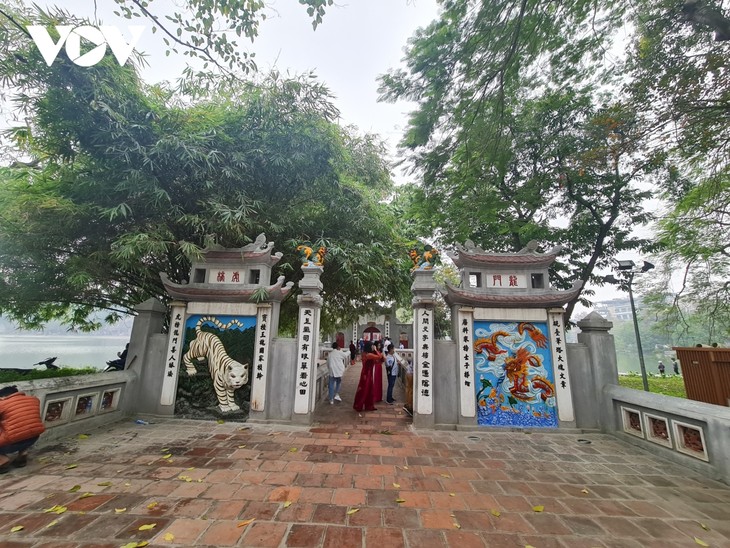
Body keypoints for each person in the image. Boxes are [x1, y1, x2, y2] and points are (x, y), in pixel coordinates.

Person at [0, 386, 45, 473]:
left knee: (16, 431)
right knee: (23, 428)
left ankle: (2, 459)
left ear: (3, 397)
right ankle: (23, 452)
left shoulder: (2, 404)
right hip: (33, 438)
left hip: (13, 441)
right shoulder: (34, 400)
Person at [353, 341, 383, 414]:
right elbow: (379, 356)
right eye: (372, 346)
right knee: (364, 390)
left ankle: (368, 405)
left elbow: (378, 360)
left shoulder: (365, 354)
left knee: (369, 389)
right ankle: (359, 405)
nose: (373, 347)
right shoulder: (369, 354)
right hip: (367, 374)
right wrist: (375, 350)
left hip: (367, 374)